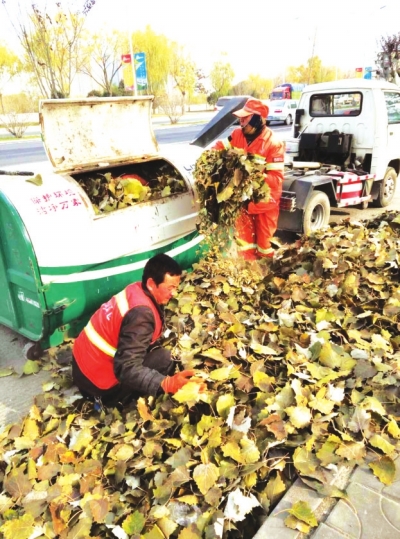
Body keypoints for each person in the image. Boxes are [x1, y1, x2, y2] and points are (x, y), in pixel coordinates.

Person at [72, 253, 196, 408]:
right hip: (98, 385)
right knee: (165, 359)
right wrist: (167, 383)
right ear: (151, 283)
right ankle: (117, 401)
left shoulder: (135, 291)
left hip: (81, 369)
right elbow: (126, 367)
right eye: (170, 288)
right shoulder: (141, 315)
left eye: (176, 288)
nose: (174, 293)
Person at [212, 98, 285, 259]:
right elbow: (220, 148)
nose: (241, 122)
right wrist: (210, 156)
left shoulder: (273, 143)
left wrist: (255, 174)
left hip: (264, 205)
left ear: (258, 120)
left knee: (265, 247)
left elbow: (276, 179)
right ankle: (249, 275)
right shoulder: (237, 134)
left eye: (245, 118)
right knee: (244, 246)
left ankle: (266, 275)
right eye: (241, 118)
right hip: (243, 203)